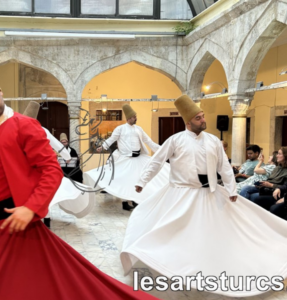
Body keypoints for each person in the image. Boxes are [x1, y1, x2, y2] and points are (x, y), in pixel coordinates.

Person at [0, 55, 156, 300]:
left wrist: (31, 207)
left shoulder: (24, 125)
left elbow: (51, 170)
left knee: (25, 283)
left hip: (11, 221)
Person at [120, 95, 287, 297]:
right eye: (198, 118)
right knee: (173, 230)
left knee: (209, 232)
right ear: (188, 121)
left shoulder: (213, 141)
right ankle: (176, 266)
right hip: (181, 194)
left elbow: (224, 166)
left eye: (203, 116)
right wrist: (141, 181)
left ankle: (206, 266)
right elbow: (156, 161)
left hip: (209, 193)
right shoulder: (175, 140)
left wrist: (231, 189)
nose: (203, 120)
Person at [84, 104, 169, 211]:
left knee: (138, 180)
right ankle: (125, 202)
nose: (136, 118)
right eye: (134, 117)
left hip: (138, 158)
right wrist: (103, 147)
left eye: (136, 116)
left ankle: (136, 200)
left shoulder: (139, 129)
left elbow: (149, 142)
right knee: (125, 181)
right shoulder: (120, 128)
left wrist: (163, 150)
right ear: (129, 118)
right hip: (126, 159)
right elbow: (112, 139)